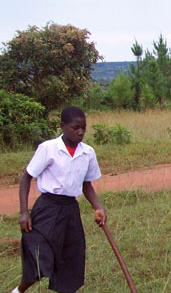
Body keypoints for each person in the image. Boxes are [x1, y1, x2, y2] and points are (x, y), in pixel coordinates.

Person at [13, 106, 105, 293]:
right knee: (40, 259)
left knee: (71, 259)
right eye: (75, 127)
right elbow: (26, 177)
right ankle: (17, 291)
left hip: (71, 210)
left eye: (83, 128)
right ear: (63, 126)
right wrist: (24, 212)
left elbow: (86, 184)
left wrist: (98, 206)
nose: (80, 132)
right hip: (47, 209)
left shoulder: (87, 153)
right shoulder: (48, 149)